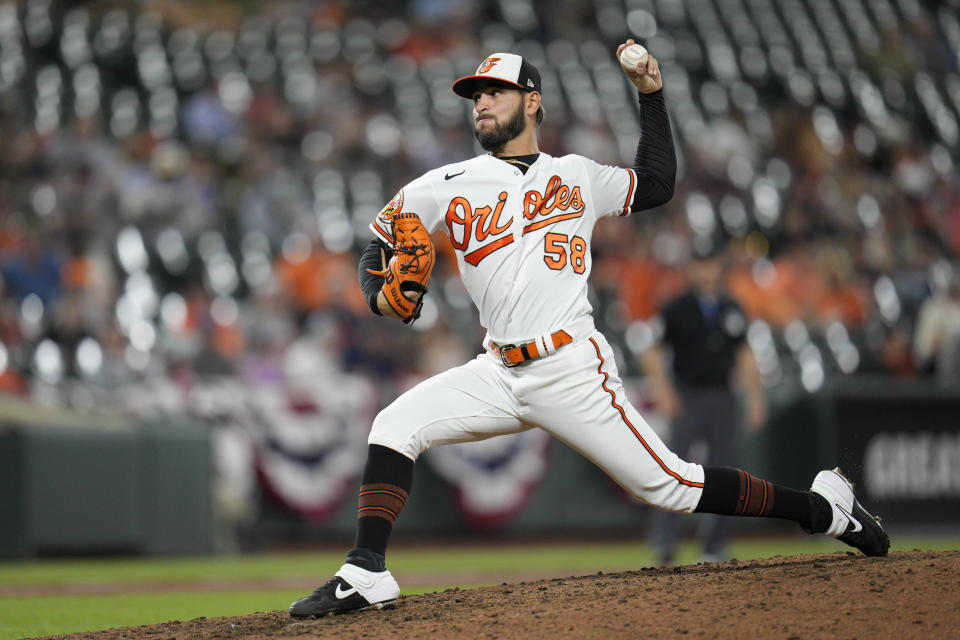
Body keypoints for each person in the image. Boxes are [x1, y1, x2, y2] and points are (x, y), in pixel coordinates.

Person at [288, 41, 889, 619]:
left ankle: (824, 510)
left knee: (672, 486)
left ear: (532, 101)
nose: (482, 103)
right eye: (476, 95)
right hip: (497, 370)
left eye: (495, 91)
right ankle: (367, 570)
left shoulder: (576, 175)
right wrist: (378, 296)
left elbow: (656, 184)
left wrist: (650, 96)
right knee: (394, 423)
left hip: (570, 367)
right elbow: (380, 242)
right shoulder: (442, 186)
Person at [642, 243, 767, 565]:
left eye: (710, 264)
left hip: (723, 396)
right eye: (700, 264)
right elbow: (652, 352)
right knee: (674, 469)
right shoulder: (676, 307)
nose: (706, 271)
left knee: (727, 471)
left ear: (717, 267)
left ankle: (715, 543)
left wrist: (755, 397)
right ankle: (666, 541)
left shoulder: (731, 307)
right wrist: (664, 392)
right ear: (692, 269)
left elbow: (744, 353)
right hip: (689, 396)